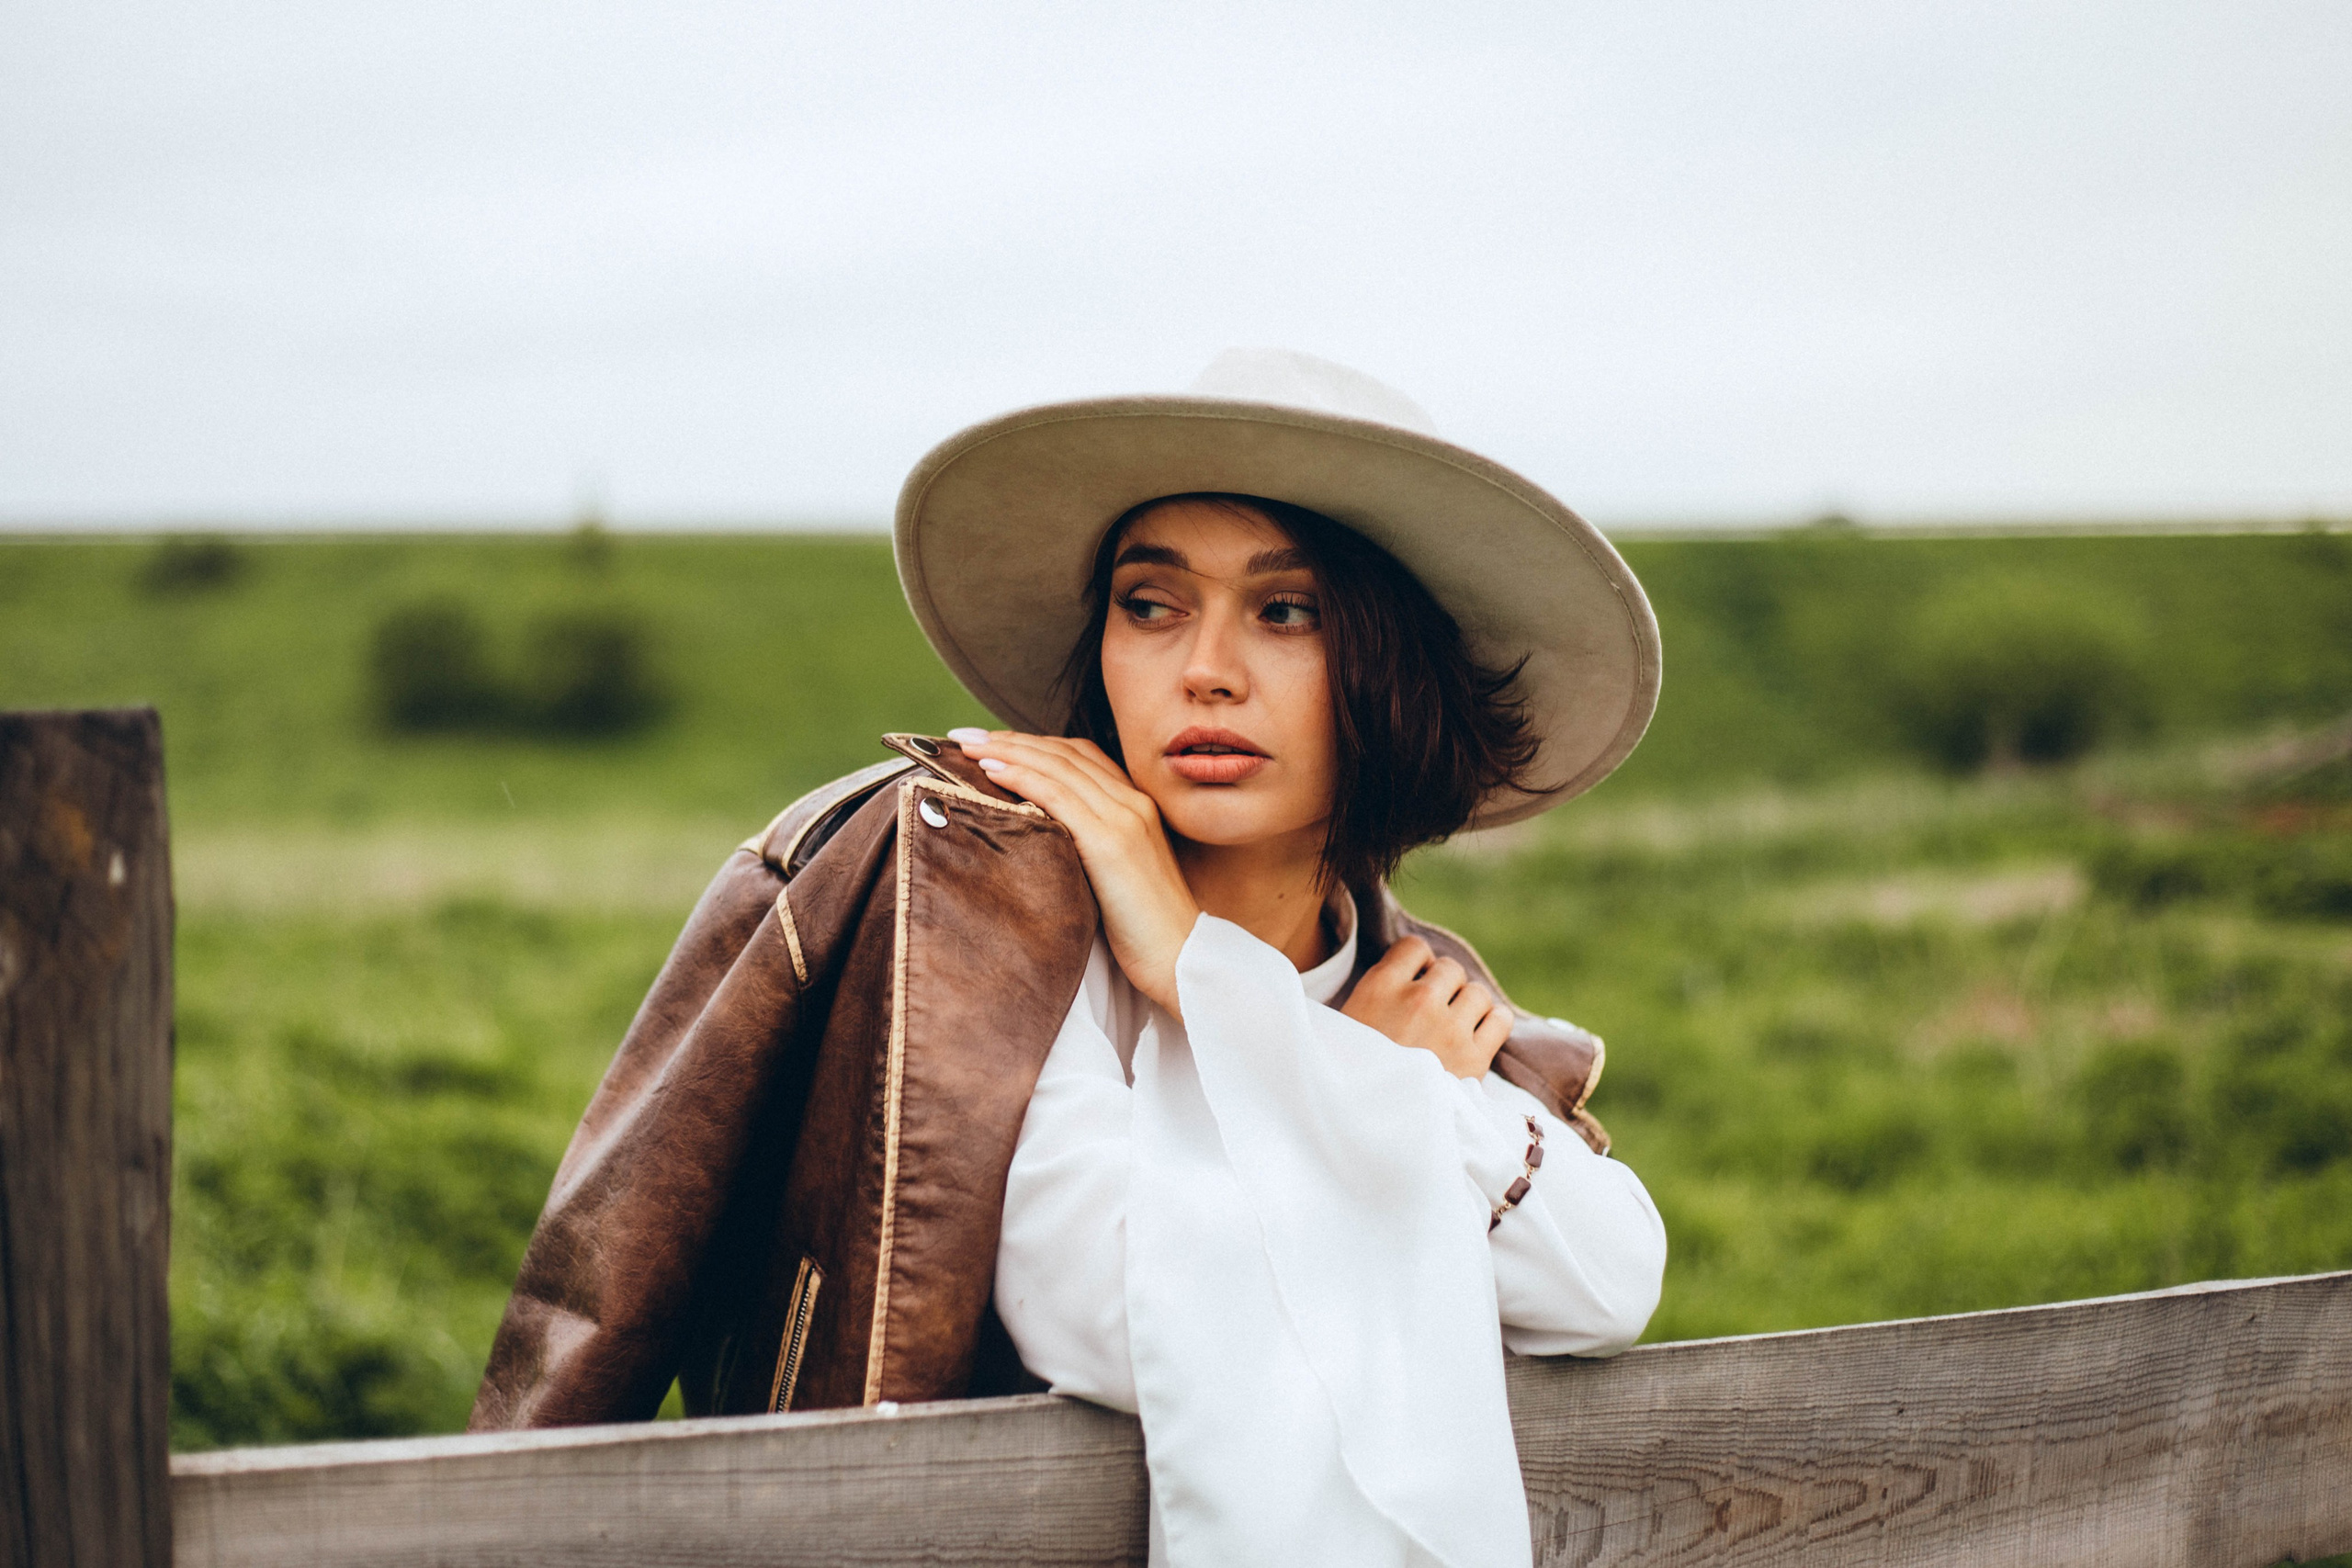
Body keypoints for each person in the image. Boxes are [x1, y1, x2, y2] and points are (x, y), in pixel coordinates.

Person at [470, 349, 1667, 1568]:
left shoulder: (1405, 977)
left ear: (1392, 667)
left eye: (1285, 609)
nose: (1206, 667)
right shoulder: (990, 928)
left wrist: (1273, 1016)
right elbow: (1123, 1309)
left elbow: (1610, 1279)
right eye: (1151, 605)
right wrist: (1339, 1065)